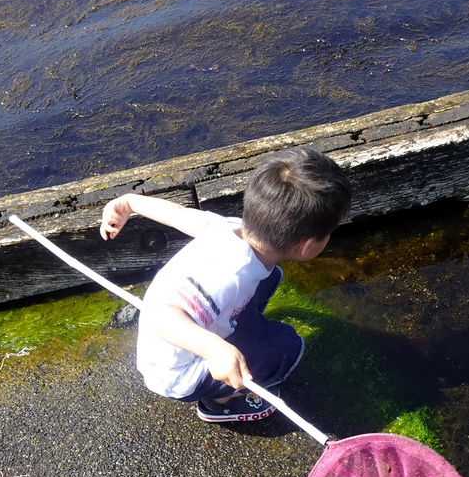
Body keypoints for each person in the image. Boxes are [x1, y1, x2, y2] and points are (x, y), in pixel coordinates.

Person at [99, 146, 351, 422]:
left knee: (272, 275)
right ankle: (220, 401)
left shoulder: (231, 228)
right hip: (179, 372)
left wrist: (129, 202)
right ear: (307, 246)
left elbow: (180, 215)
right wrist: (214, 349)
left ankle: (234, 334)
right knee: (284, 348)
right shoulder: (230, 277)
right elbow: (161, 316)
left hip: (201, 321)